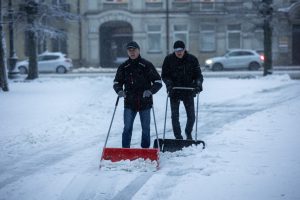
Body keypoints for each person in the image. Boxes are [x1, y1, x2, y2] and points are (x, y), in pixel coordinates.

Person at [113, 41, 162, 148]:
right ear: (127, 52)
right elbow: (117, 82)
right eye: (129, 50)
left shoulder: (146, 65)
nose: (132, 52)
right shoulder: (124, 66)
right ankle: (125, 150)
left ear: (139, 50)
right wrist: (119, 91)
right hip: (129, 102)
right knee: (127, 127)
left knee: (145, 128)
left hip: (145, 101)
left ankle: (145, 150)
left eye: (134, 50)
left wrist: (150, 91)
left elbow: (158, 82)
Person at [161, 40, 203, 140]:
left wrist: (198, 85)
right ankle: (178, 137)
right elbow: (164, 75)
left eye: (180, 50)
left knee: (191, 116)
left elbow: (198, 75)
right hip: (174, 90)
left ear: (184, 50)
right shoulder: (168, 59)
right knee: (175, 117)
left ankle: (188, 132)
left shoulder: (192, 59)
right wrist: (169, 84)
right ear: (174, 50)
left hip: (188, 90)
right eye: (176, 50)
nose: (178, 52)